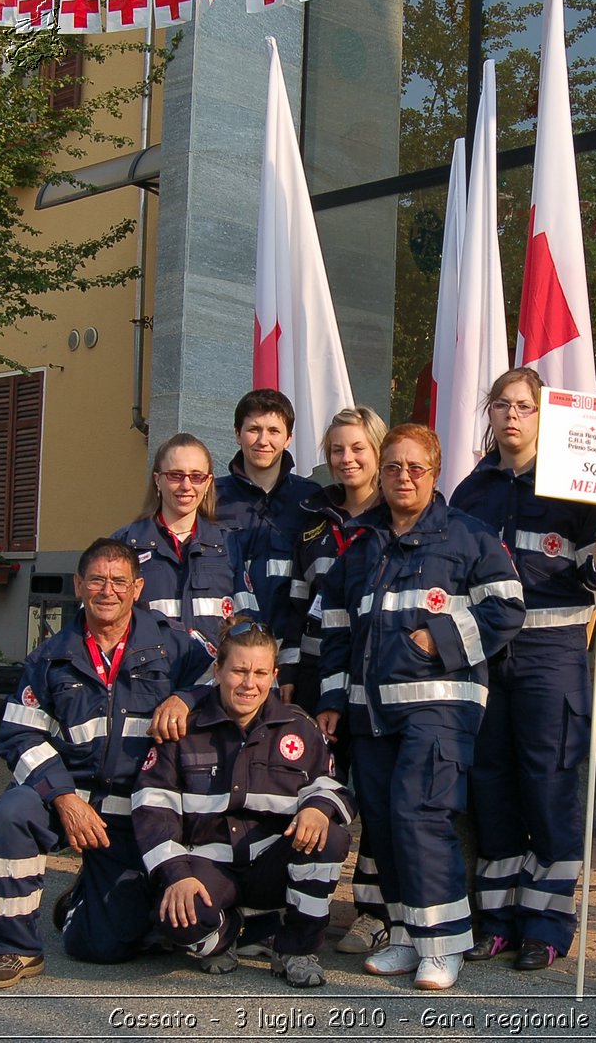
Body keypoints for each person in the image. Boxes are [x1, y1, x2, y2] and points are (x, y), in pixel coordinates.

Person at [315, 423, 525, 991]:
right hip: (369, 711)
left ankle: (444, 945)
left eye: (416, 468)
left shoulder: (469, 536)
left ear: (435, 474)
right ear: (380, 474)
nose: (403, 477)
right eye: (392, 467)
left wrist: (440, 639)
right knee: (383, 824)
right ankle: (409, 935)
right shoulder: (359, 543)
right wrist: (333, 698)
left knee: (419, 815)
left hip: (440, 706)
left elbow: (507, 609)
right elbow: (331, 627)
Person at [0, 538, 214, 990]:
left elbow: (219, 676)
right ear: (80, 585)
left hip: (136, 810)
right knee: (10, 813)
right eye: (97, 580)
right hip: (70, 795)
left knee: (102, 948)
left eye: (119, 581)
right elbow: (19, 734)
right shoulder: (50, 655)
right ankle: (14, 948)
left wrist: (185, 696)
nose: (108, 591)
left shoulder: (173, 643)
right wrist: (62, 797)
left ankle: (85, 899)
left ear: (137, 587)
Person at [449, 366, 596, 972]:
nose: (512, 416)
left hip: (551, 653)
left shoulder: (577, 488)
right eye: (501, 405)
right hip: (486, 654)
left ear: (543, 415)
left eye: (524, 406)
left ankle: (547, 925)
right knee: (491, 781)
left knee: (549, 781)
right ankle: (495, 919)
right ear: (490, 415)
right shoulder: (470, 492)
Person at [132, 617, 355, 988]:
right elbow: (152, 808)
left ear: (274, 675)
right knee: (175, 921)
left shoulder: (299, 725)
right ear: (217, 670)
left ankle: (297, 948)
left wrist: (318, 807)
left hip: (272, 865)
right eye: (238, 670)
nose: (249, 683)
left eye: (260, 672)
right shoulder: (184, 727)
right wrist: (176, 874)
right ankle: (236, 931)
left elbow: (334, 786)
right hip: (209, 865)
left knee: (329, 836)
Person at [282, 406, 387, 956]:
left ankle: (373, 911)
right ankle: (302, 903)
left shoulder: (395, 516)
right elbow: (299, 607)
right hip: (320, 675)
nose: (347, 459)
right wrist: (292, 676)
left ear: (377, 451)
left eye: (358, 449)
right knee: (319, 784)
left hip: (377, 678)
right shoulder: (315, 522)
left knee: (373, 791)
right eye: (337, 450)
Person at [113, 433, 252, 660]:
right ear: (158, 480)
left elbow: (246, 622)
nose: (186, 486)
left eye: (196, 477)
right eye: (175, 475)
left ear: (208, 483)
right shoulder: (126, 544)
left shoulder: (229, 544)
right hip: (146, 684)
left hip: (211, 684)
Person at [213, 389, 321, 672]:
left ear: (288, 438)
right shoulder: (211, 498)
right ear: (238, 434)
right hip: (230, 658)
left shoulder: (311, 501)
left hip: (294, 659)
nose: (263, 440)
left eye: (274, 430)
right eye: (253, 429)